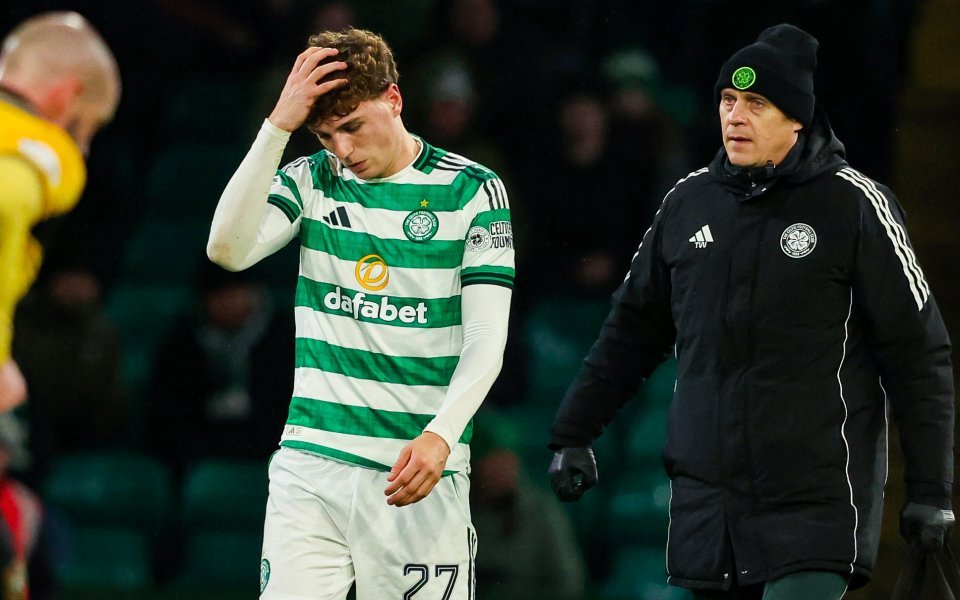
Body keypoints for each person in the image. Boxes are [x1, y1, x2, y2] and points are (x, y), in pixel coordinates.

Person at [547, 23, 954, 600]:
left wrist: (932, 489)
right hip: (708, 509)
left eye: (756, 103)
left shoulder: (855, 206)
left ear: (797, 119)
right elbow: (631, 331)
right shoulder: (687, 204)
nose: (735, 117)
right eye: (728, 101)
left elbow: (918, 354)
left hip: (815, 504)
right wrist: (575, 431)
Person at [206, 28, 514, 600]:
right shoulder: (313, 179)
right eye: (326, 135)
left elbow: (486, 338)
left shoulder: (471, 190)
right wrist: (277, 127)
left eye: (352, 126)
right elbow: (227, 249)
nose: (343, 150)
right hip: (311, 464)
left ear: (393, 99)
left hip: (415, 469)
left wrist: (441, 436)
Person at [0, 12, 120, 411]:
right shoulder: (43, 151)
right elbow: (5, 204)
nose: (82, 149)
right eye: (84, 127)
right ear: (67, 96)